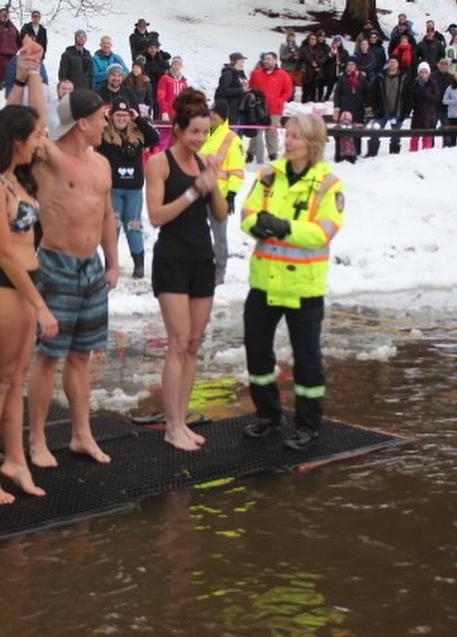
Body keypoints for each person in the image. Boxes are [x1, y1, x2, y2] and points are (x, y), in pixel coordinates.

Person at [0, 85, 59, 505]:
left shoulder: (14, 179)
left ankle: (15, 459)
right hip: (1, 284)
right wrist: (40, 305)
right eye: (36, 136)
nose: (41, 142)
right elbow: (3, 250)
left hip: (26, 283)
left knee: (16, 377)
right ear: (17, 140)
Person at [27, 88, 120, 468]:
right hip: (56, 264)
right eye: (101, 117)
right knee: (49, 356)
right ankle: (36, 438)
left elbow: (105, 215)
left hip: (91, 269)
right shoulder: (49, 157)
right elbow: (36, 121)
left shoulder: (101, 164)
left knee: (82, 356)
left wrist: (112, 262)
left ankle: (82, 434)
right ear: (82, 122)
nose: (106, 124)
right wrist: (32, 71)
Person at [241, 113, 345, 450]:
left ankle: (307, 425)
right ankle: (268, 415)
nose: (288, 141)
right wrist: (256, 225)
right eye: (287, 135)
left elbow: (324, 231)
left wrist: (285, 227)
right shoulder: (269, 175)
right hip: (265, 283)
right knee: (257, 353)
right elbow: (248, 211)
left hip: (303, 288)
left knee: (307, 359)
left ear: (312, 142)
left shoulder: (329, 184)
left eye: (296, 136)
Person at [144, 88, 228, 450]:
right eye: (194, 131)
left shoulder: (204, 162)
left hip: (201, 258)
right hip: (172, 259)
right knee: (177, 343)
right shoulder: (160, 164)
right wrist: (194, 191)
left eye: (205, 133)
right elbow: (156, 216)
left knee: (193, 344)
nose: (199, 138)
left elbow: (221, 216)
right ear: (177, 129)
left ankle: (183, 419)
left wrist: (214, 182)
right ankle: (172, 425)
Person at [99, 97, 160, 279]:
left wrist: (139, 119)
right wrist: (103, 116)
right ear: (112, 116)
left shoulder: (138, 134)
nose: (121, 119)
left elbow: (155, 137)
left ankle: (139, 264)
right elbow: (90, 131)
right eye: (118, 115)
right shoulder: (104, 135)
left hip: (133, 190)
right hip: (113, 190)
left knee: (133, 226)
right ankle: (110, 265)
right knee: (113, 227)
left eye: (125, 115)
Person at [201, 99, 245, 285]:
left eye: (215, 114)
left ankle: (219, 271)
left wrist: (232, 194)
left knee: (219, 236)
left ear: (223, 117)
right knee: (199, 234)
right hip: (200, 192)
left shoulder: (231, 139)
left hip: (220, 195)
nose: (211, 116)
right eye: (210, 113)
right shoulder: (203, 134)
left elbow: (237, 169)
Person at [247, 51, 293, 162]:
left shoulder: (283, 75)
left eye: (268, 59)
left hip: (274, 109)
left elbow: (288, 91)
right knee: (255, 131)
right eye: (265, 59)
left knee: (271, 131)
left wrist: (280, 100)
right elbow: (250, 86)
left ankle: (272, 154)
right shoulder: (256, 73)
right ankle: (250, 153)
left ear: (275, 60)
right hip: (258, 108)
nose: (266, 61)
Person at [366, 56, 411, 156]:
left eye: (394, 62)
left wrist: (406, 111)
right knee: (375, 132)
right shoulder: (380, 77)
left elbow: (409, 96)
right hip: (382, 111)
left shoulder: (404, 77)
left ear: (398, 64)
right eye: (391, 62)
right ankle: (371, 154)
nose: (392, 64)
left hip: (397, 111)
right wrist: (374, 108)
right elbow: (373, 94)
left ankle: (393, 155)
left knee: (396, 136)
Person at [332, 56, 368, 158]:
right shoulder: (342, 77)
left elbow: (366, 93)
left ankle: (355, 152)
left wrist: (368, 106)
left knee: (356, 131)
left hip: (358, 108)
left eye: (352, 64)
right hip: (345, 108)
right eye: (348, 64)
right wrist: (337, 106)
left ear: (356, 66)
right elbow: (337, 92)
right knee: (343, 131)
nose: (350, 66)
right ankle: (341, 152)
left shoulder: (361, 77)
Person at [214, 51, 250, 127]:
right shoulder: (228, 73)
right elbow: (224, 90)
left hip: (238, 108)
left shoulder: (240, 74)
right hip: (229, 109)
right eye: (241, 60)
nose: (243, 62)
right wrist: (241, 90)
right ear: (234, 61)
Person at [410, 62, 439, 152]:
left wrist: (426, 94)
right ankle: (413, 153)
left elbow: (436, 99)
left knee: (427, 136)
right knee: (414, 136)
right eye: (421, 72)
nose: (423, 74)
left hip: (428, 114)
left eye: (425, 72)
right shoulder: (415, 85)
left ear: (428, 73)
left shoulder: (433, 84)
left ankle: (426, 153)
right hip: (417, 113)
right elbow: (411, 99)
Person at [156, 55, 188, 121]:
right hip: (167, 113)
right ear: (172, 65)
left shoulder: (184, 82)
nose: (176, 67)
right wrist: (164, 111)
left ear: (181, 66)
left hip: (179, 114)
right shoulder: (165, 79)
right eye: (175, 64)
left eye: (179, 65)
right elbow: (161, 96)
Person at [432, 57, 453, 147]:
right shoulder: (432, 76)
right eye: (441, 64)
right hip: (433, 107)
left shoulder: (452, 78)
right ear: (438, 65)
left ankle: (447, 147)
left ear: (448, 66)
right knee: (431, 128)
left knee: (447, 129)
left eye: (445, 64)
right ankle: (430, 146)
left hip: (446, 108)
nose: (443, 66)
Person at [298, 33, 325, 104]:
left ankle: (312, 104)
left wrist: (317, 63)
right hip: (306, 72)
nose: (313, 41)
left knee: (313, 91)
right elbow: (305, 56)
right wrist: (312, 62)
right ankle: (304, 104)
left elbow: (323, 58)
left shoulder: (319, 49)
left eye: (314, 39)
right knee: (306, 91)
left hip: (315, 73)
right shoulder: (304, 47)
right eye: (311, 39)